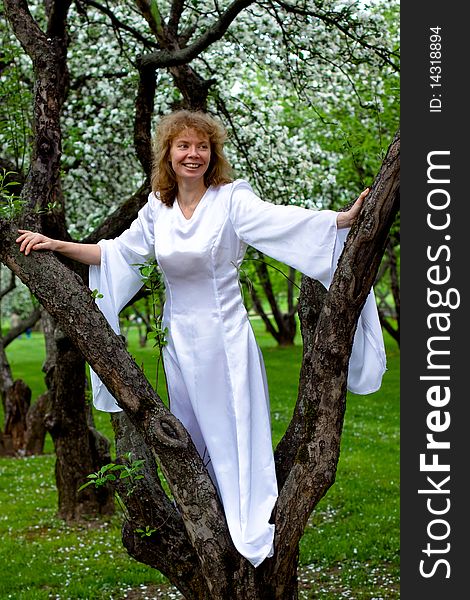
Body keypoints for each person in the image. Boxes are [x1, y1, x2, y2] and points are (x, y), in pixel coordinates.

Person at [16, 109, 386, 567]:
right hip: (178, 343)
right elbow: (117, 255)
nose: (194, 155)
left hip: (225, 339)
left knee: (230, 428)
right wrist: (54, 244)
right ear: (168, 154)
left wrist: (341, 219)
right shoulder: (158, 207)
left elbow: (282, 221)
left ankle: (246, 524)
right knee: (189, 438)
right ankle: (209, 525)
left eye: (202, 146)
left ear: (213, 154)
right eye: (184, 146)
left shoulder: (232, 200)